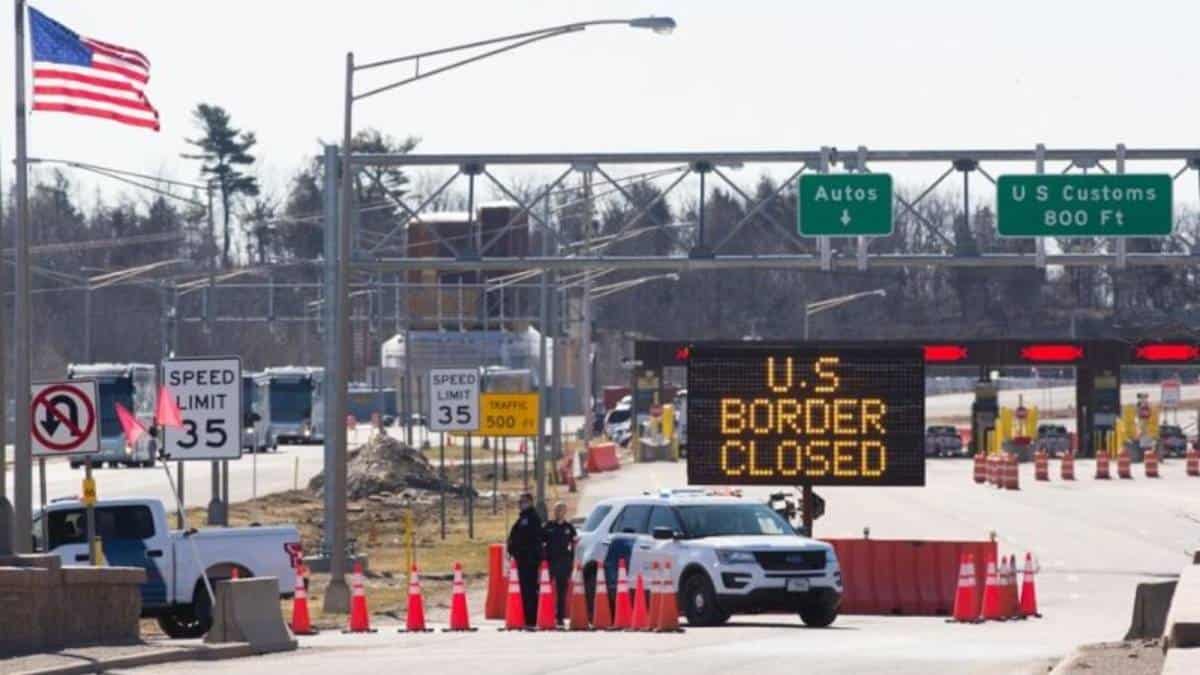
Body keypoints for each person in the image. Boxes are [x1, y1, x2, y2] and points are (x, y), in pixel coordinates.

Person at [506, 492, 543, 626]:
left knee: (529, 590)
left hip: (529, 560)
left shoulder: (532, 518)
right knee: (524, 589)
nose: (521, 504)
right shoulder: (523, 518)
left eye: (523, 502)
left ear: (530, 502)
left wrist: (519, 549)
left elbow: (530, 539)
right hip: (521, 560)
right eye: (520, 502)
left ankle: (531, 618)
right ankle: (527, 616)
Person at [542, 501, 577, 624]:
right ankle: (544, 614)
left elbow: (574, 543)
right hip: (550, 562)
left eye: (561, 510)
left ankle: (560, 617)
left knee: (561, 592)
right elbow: (542, 541)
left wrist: (572, 561)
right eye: (557, 510)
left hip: (564, 563)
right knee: (545, 590)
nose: (559, 512)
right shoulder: (548, 526)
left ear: (565, 512)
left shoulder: (569, 527)